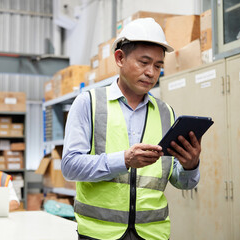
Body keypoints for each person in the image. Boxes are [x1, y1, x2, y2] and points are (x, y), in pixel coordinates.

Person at [62, 18, 201, 240]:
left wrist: (190, 165)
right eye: (144, 62)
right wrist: (124, 160)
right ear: (119, 58)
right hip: (99, 234)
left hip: (152, 234)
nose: (151, 73)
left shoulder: (166, 113)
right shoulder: (88, 103)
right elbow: (70, 166)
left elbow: (182, 182)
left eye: (158, 65)